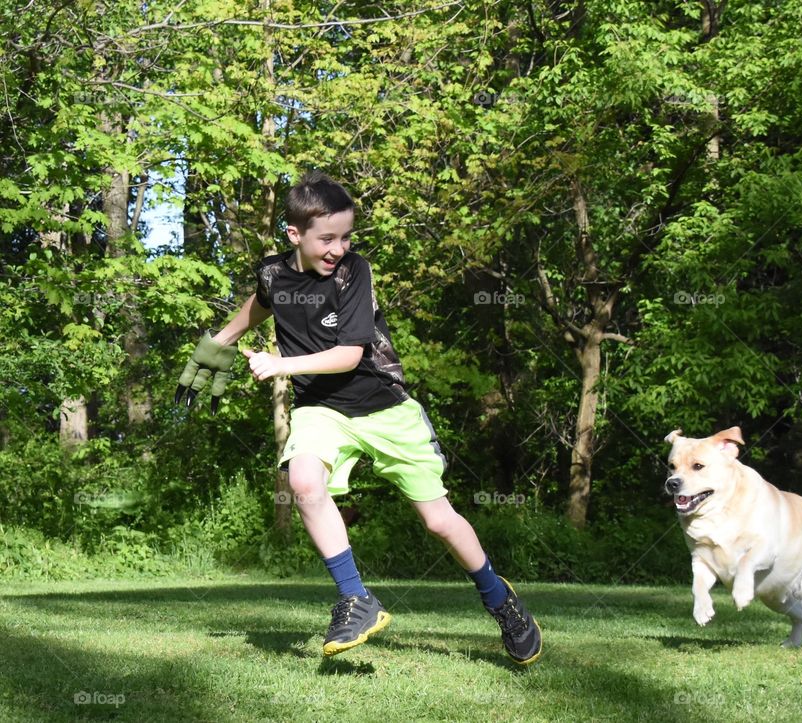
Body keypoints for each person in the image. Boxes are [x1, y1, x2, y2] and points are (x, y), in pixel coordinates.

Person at [175, 171, 542, 665]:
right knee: (303, 480)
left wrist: (282, 363)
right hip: (322, 409)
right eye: (327, 238)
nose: (338, 248)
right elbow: (263, 302)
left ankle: (502, 602)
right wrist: (222, 339)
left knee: (439, 521)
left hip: (383, 407)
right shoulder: (274, 273)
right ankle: (356, 598)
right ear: (294, 235)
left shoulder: (354, 274)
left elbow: (349, 354)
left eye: (346, 237)